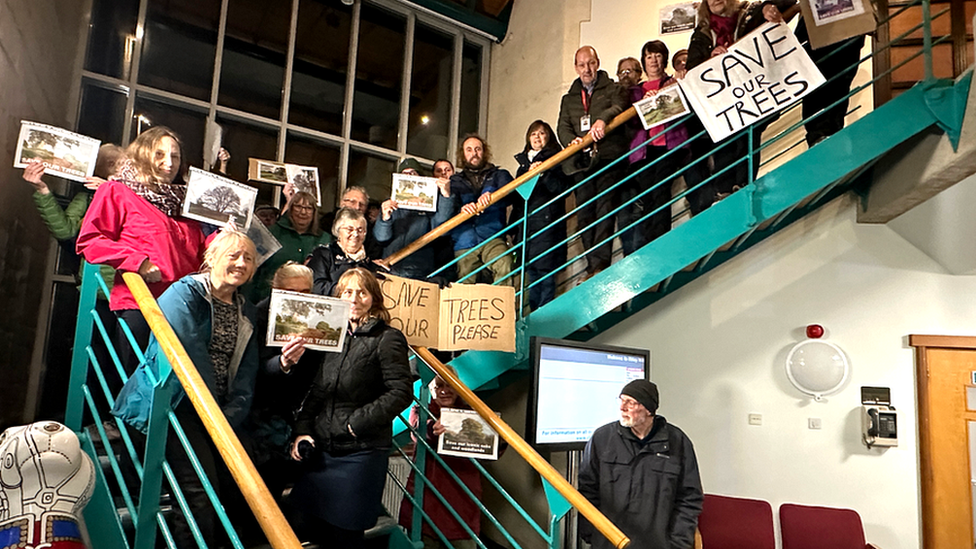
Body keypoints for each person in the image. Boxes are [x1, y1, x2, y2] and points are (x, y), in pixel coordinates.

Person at [111, 229, 260, 547]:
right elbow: (188, 354)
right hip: (177, 406)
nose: (241, 262)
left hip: (216, 413)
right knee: (199, 496)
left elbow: (247, 371)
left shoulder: (246, 310)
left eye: (248, 258)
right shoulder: (185, 292)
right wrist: (213, 418)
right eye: (233, 255)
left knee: (243, 490)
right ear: (212, 258)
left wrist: (228, 417)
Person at [289, 267, 413, 548]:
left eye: (362, 291)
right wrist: (302, 430)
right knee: (303, 524)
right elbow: (319, 390)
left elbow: (400, 392)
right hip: (323, 452)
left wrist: (355, 424)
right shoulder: (333, 337)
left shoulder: (387, 338)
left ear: (373, 298)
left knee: (345, 537)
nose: (354, 298)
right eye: (347, 292)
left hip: (361, 454)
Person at [76, 126, 208, 371]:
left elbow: (200, 253)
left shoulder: (187, 205)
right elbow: (90, 240)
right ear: (143, 155)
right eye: (159, 154)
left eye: (175, 156)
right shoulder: (117, 191)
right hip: (140, 304)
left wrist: (225, 235)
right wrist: (138, 262)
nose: (169, 163)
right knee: (138, 384)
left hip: (183, 309)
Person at [685, 0, 798, 212]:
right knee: (724, 142)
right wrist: (710, 58)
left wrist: (768, 7)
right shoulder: (701, 34)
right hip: (722, 103)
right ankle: (724, 189)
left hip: (753, 94)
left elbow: (788, 2)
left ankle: (744, 183)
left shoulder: (749, 15)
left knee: (750, 136)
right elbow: (692, 69)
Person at [578, 380, 703, 549]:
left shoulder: (678, 442)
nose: (622, 408)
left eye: (630, 402)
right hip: (608, 543)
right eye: (621, 400)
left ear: (649, 409)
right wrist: (592, 534)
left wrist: (678, 543)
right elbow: (587, 490)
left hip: (658, 545)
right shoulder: (602, 438)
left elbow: (689, 498)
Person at [556, 46, 630, 281]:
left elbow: (619, 106)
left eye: (590, 63)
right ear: (576, 67)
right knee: (585, 215)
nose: (586, 69)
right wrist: (572, 142)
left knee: (605, 211)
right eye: (581, 65)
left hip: (608, 158)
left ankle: (600, 266)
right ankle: (592, 265)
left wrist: (602, 120)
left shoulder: (613, 88)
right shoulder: (568, 99)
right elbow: (562, 127)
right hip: (581, 163)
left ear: (597, 63)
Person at [619, 40, 690, 257]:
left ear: (664, 59)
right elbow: (629, 123)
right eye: (649, 56)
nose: (653, 60)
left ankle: (660, 243)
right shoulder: (634, 91)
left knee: (661, 193)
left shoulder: (674, 82)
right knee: (648, 197)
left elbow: (685, 112)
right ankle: (651, 245)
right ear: (644, 61)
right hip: (643, 150)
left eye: (658, 55)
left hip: (669, 146)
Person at [398, 369, 483, 549]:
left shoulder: (472, 414)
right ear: (432, 390)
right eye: (439, 386)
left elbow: (490, 447)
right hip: (428, 498)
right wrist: (432, 429)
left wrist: (498, 439)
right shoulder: (421, 410)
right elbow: (418, 428)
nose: (444, 391)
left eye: (449, 385)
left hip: (462, 498)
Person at [512, 121, 569, 310]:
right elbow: (518, 200)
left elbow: (562, 190)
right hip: (527, 226)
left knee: (545, 272)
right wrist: (512, 229)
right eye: (533, 134)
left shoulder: (557, 160)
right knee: (531, 272)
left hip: (548, 224)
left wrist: (543, 173)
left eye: (542, 133)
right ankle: (533, 314)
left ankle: (543, 315)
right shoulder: (522, 166)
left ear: (549, 137)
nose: (537, 137)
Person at [374, 158, 456, 281]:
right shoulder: (390, 204)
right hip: (390, 269)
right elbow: (381, 238)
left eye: (413, 173)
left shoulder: (430, 205)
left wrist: (445, 196)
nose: (408, 177)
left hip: (419, 271)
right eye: (404, 174)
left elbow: (441, 227)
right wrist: (385, 219)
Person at [448, 135, 515, 285]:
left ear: (484, 152)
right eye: (469, 149)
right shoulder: (454, 181)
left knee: (504, 263)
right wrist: (461, 209)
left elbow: (512, 195)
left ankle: (500, 307)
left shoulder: (499, 175)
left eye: (478, 149)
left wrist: (492, 195)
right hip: (464, 240)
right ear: (463, 154)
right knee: (464, 279)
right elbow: (448, 208)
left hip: (492, 236)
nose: (474, 153)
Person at [248, 190, 331, 302]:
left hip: (309, 300)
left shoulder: (325, 239)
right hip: (268, 298)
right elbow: (254, 266)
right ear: (290, 209)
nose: (303, 212)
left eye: (308, 208)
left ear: (314, 212)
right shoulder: (272, 233)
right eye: (298, 206)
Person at [306, 207, 380, 296]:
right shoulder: (324, 254)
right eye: (350, 230)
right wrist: (347, 290)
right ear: (338, 231)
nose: (355, 234)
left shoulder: (368, 260)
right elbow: (316, 286)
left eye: (360, 230)